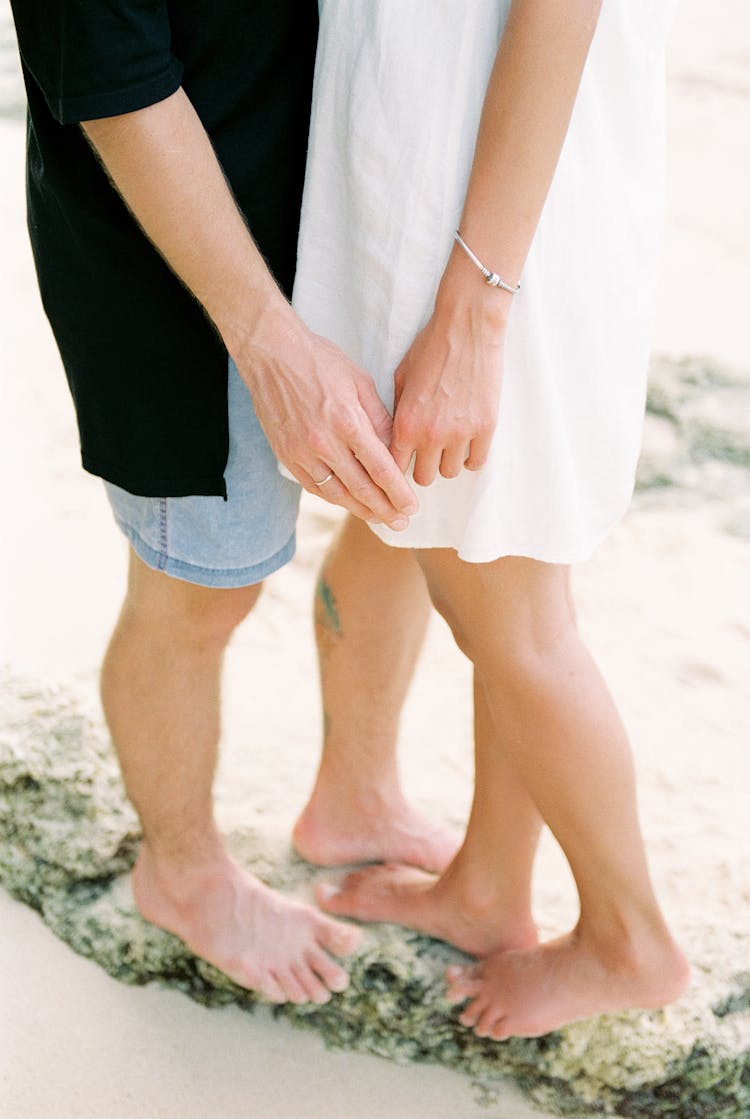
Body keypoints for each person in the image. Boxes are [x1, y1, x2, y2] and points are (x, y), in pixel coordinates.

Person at [7, 0, 457, 1007]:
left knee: (403, 512)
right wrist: (268, 340)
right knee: (202, 585)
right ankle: (182, 872)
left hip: (366, 201)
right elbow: (110, 69)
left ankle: (358, 793)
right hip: (181, 262)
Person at [292, 0, 691, 1038]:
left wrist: (476, 304)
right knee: (441, 526)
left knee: (512, 606)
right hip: (455, 177)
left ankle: (627, 939)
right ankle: (466, 870)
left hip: (474, 209)